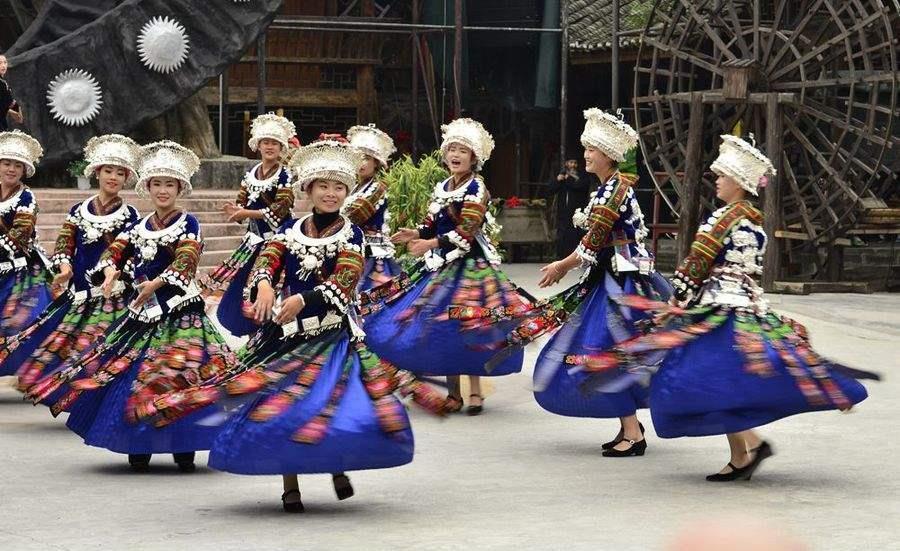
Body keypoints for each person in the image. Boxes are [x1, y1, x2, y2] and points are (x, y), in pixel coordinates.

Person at [130, 138, 447, 513]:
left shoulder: (352, 235)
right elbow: (267, 261)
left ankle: (336, 465)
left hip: (331, 333)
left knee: (329, 402)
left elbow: (344, 280)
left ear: (347, 192)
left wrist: (300, 299)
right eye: (323, 186)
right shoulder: (290, 231)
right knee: (278, 403)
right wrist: (264, 284)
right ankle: (290, 485)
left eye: (339, 187)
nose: (331, 194)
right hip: (285, 335)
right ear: (308, 189)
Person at [574, 135, 874, 480]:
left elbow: (695, 267)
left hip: (718, 311)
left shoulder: (720, 220)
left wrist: (676, 303)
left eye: (721, 176)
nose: (716, 180)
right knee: (728, 378)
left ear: (738, 183)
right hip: (749, 310)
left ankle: (752, 442)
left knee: (697, 377)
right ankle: (740, 456)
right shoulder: (753, 222)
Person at [453, 108, 670, 455]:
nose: (585, 155)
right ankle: (629, 426)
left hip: (621, 283)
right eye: (585, 148)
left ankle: (633, 432)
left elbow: (594, 241)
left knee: (605, 350)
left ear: (609, 155)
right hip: (609, 278)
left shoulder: (614, 191)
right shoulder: (607, 188)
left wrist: (561, 266)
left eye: (591, 150)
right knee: (602, 348)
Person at [27, 140, 237, 473]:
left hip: (180, 311)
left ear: (180, 188)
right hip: (144, 311)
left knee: (182, 373)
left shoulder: (188, 222)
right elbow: (115, 253)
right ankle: (138, 444)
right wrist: (111, 271)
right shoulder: (138, 227)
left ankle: (184, 447)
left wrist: (156, 283)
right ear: (147, 188)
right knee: (136, 372)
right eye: (157, 184)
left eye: (170, 184)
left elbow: (187, 258)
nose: (163, 190)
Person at [360, 118, 532, 415]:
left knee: (471, 326)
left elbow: (467, 231)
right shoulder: (443, 186)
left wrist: (429, 244)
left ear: (474, 158)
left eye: (462, 150)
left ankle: (475, 391)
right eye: (451, 148)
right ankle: (455, 392)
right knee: (444, 329)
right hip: (441, 265)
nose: (455, 154)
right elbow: (431, 224)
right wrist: (415, 234)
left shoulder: (477, 188)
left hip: (470, 267)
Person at [0, 134, 141, 387]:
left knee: (98, 342)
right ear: (97, 173)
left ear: (126, 179)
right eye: (108, 170)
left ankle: (91, 392)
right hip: (78, 285)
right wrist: (64, 269)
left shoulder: (130, 214)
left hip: (112, 290)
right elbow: (66, 243)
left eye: (119, 173)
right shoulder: (78, 209)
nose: (113, 177)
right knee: (64, 338)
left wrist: (117, 274)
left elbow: (130, 250)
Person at [203, 112, 296, 337]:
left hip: (279, 240)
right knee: (242, 284)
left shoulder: (285, 175)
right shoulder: (252, 173)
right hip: (253, 240)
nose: (270, 147)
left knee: (272, 284)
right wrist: (236, 210)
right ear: (258, 145)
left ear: (281, 146)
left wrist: (246, 212)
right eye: (266, 142)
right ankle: (249, 330)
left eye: (274, 143)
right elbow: (242, 200)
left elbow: (281, 208)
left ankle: (269, 332)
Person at [0, 130, 52, 343]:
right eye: (7, 163)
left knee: (19, 320)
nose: (11, 169)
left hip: (19, 268)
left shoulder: (26, 197)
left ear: (24, 170)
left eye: (17, 165)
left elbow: (20, 234)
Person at [343, 124, 401, 291]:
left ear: (376, 163)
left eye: (366, 158)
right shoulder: (353, 187)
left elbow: (355, 214)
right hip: (355, 248)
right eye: (358, 157)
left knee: (372, 299)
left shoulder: (377, 188)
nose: (361, 163)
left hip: (372, 253)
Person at [548, 158, 590, 258]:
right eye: (571, 163)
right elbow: (551, 190)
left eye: (575, 163)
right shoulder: (562, 176)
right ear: (566, 164)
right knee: (562, 234)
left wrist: (569, 178)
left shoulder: (582, 176)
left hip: (577, 212)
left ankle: (576, 256)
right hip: (563, 211)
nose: (573, 165)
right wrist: (558, 180)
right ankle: (561, 256)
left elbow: (579, 186)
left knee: (576, 233)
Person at [0, 55, 24, 131]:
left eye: (5, 62)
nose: (3, 65)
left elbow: (8, 102)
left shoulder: (3, 83)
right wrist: (14, 111)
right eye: (0, 63)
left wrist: (14, 110)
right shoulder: (2, 84)